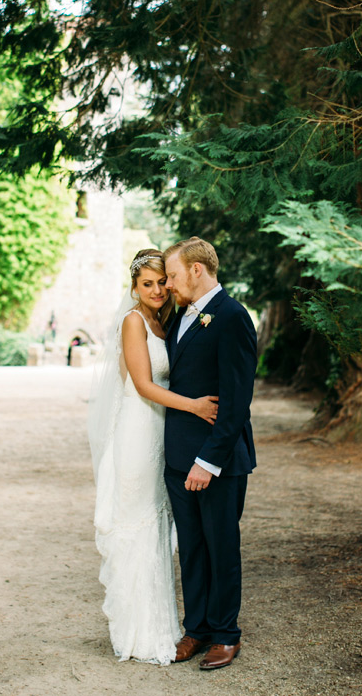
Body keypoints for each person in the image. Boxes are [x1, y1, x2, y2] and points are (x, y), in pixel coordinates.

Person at [88, 248, 219, 665]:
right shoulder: (133, 322)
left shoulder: (163, 324)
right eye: (148, 284)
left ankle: (163, 625)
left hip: (161, 433)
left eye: (163, 281)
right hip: (138, 432)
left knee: (158, 528)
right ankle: (136, 631)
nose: (158, 289)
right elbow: (143, 385)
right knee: (137, 525)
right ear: (134, 288)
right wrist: (196, 406)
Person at [162, 236, 257, 671]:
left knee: (221, 546)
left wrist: (208, 461)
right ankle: (196, 628)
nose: (168, 284)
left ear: (197, 270)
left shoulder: (233, 317)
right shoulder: (180, 316)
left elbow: (236, 402)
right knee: (193, 548)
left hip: (216, 460)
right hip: (178, 457)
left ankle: (225, 633)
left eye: (174, 275)